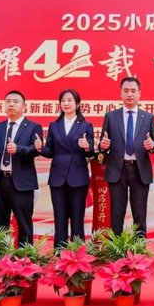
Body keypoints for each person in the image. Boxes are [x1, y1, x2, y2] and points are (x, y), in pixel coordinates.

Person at [0, 90, 42, 246]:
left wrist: (18, 149)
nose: (11, 104)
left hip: (22, 182)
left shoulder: (34, 127)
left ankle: (25, 256)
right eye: (8, 101)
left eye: (15, 101)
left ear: (24, 106)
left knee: (24, 223)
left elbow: (35, 150)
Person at [34, 88, 95, 248]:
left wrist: (87, 146)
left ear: (78, 104)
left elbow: (91, 152)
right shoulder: (54, 126)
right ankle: (59, 252)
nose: (66, 103)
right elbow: (50, 151)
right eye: (63, 100)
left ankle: (77, 252)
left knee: (77, 217)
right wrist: (40, 148)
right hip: (58, 177)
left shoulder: (86, 125)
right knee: (59, 217)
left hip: (78, 177)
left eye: (69, 100)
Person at [98, 77, 154, 237]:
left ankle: (139, 248)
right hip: (117, 170)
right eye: (126, 91)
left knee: (140, 213)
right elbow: (102, 144)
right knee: (117, 213)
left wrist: (151, 145)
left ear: (139, 94)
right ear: (121, 94)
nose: (130, 94)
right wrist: (103, 145)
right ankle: (116, 248)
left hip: (140, 170)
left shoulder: (148, 117)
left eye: (133, 91)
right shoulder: (111, 116)